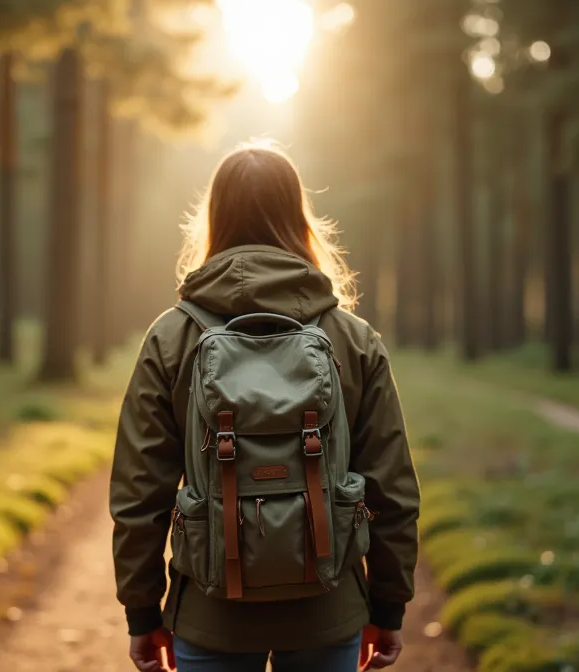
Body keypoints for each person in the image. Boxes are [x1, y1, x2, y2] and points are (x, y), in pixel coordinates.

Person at [110, 141, 420, 672]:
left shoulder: (172, 337)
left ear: (215, 218)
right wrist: (388, 606)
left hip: (212, 615)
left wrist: (142, 613)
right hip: (329, 608)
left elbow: (140, 491)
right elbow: (390, 485)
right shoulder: (352, 339)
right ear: (298, 217)